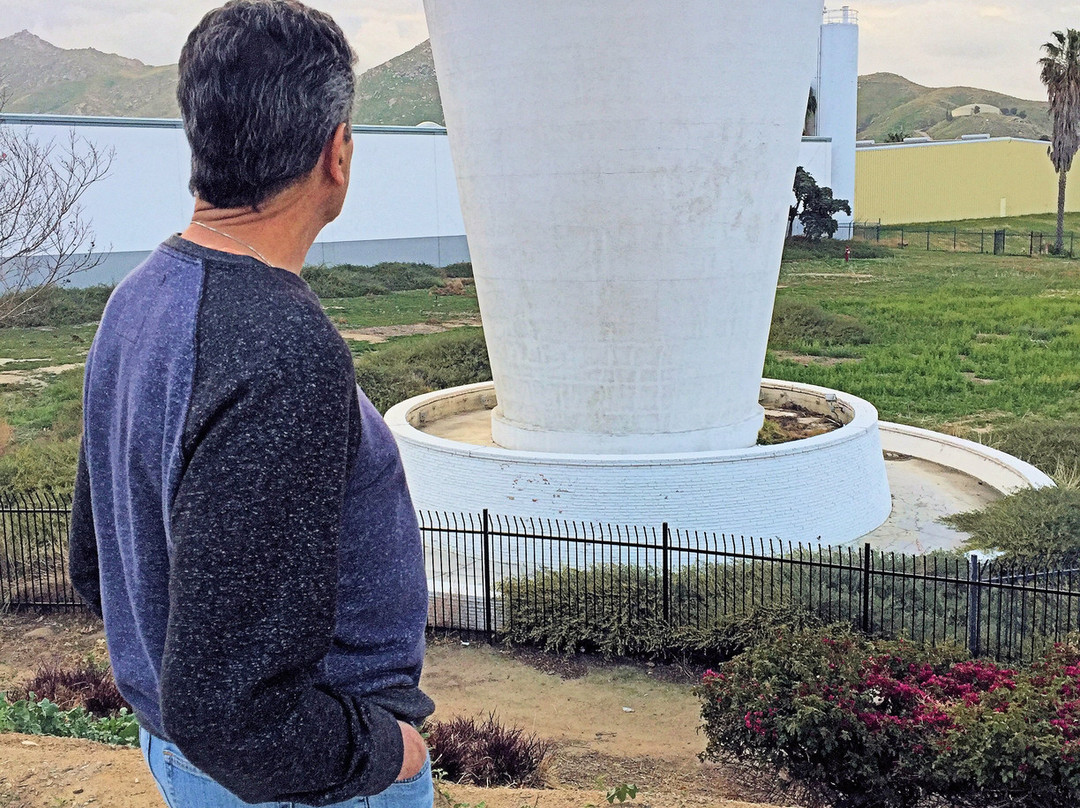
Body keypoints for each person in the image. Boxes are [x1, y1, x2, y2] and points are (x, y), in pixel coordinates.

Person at [67, 2, 434, 805]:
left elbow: (96, 564)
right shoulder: (280, 348)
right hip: (301, 785)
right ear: (337, 152)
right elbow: (236, 716)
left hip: (192, 758)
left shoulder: (135, 298)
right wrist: (386, 752)